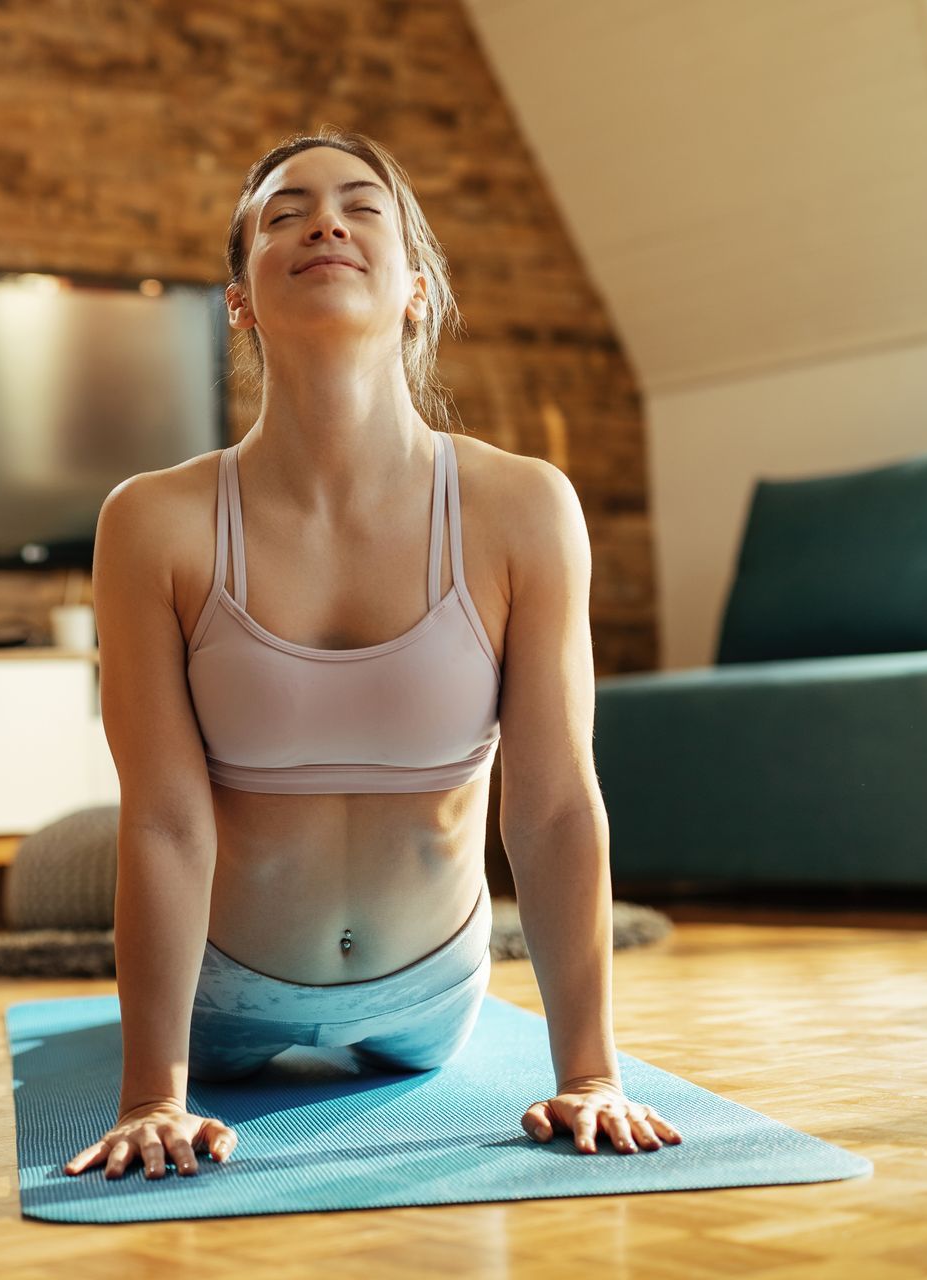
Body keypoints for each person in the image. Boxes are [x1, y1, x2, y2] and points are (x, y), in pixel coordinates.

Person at [65, 129, 683, 1181]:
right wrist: (152, 1094)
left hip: (431, 991)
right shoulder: (152, 522)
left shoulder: (521, 506)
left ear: (418, 287)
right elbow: (165, 818)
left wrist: (589, 1073)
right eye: (283, 211)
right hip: (223, 996)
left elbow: (553, 803)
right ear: (240, 300)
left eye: (362, 204)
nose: (324, 220)